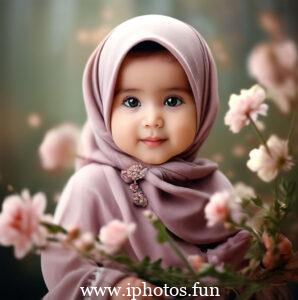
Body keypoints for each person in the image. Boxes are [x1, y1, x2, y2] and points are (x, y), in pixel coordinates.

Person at [41, 15, 252, 300]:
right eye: (131, 102)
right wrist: (114, 288)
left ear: (202, 104)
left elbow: (238, 280)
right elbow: (64, 272)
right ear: (103, 106)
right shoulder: (91, 187)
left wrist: (261, 268)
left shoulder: (215, 188)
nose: (153, 119)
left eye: (172, 101)